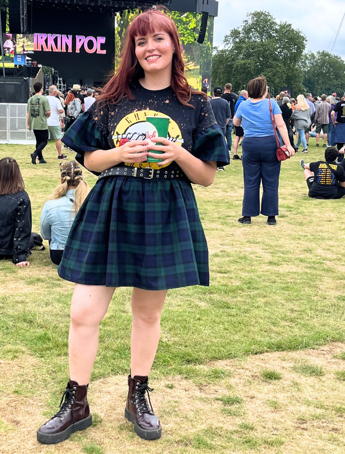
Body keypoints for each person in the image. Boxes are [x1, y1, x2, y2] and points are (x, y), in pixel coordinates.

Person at [36, 9, 228, 445]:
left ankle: (137, 396)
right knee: (83, 311)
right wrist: (122, 154)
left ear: (174, 46)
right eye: (141, 42)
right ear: (133, 50)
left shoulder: (195, 104)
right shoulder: (111, 100)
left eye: (159, 38)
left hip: (163, 208)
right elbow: (89, 159)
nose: (151, 47)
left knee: (147, 312)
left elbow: (207, 175)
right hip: (112, 204)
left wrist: (176, 154)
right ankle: (76, 403)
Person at [233, 76, 295, 225]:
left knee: (250, 181)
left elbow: (236, 122)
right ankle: (271, 216)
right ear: (263, 90)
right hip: (269, 144)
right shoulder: (271, 103)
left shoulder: (243, 105)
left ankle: (247, 215)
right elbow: (281, 125)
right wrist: (288, 145)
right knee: (271, 181)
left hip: (250, 144)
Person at [40, 160, 90, 265]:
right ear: (81, 178)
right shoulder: (92, 203)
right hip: (86, 254)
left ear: (61, 179)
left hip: (59, 255)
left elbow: (45, 235)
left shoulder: (50, 205)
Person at [27, 82, 51, 164]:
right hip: (42, 123)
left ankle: (41, 158)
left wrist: (28, 124)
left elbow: (28, 112)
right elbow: (48, 111)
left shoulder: (30, 99)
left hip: (33, 122)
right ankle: (35, 154)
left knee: (38, 141)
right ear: (41, 89)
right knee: (44, 141)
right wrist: (47, 115)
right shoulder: (44, 99)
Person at [210, 87, 231, 170]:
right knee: (221, 145)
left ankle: (212, 163)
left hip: (211, 126)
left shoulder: (210, 102)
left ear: (213, 93)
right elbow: (228, 116)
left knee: (211, 145)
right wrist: (224, 124)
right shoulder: (225, 102)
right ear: (221, 94)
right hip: (221, 126)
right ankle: (221, 165)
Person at [47, 85, 67, 160]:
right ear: (55, 92)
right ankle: (59, 155)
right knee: (58, 139)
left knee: (43, 139)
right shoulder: (56, 100)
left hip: (45, 122)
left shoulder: (45, 98)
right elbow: (61, 110)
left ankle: (40, 154)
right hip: (54, 122)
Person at [221, 83, 238, 155]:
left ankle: (223, 148)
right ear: (231, 89)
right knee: (229, 134)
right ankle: (229, 149)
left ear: (225, 88)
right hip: (231, 117)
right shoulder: (234, 97)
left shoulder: (222, 97)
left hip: (223, 117)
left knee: (222, 133)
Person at [231, 90, 248, 159]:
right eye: (247, 94)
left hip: (236, 121)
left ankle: (235, 154)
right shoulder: (243, 102)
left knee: (237, 137)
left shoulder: (238, 101)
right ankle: (243, 154)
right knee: (243, 138)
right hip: (241, 122)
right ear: (244, 94)